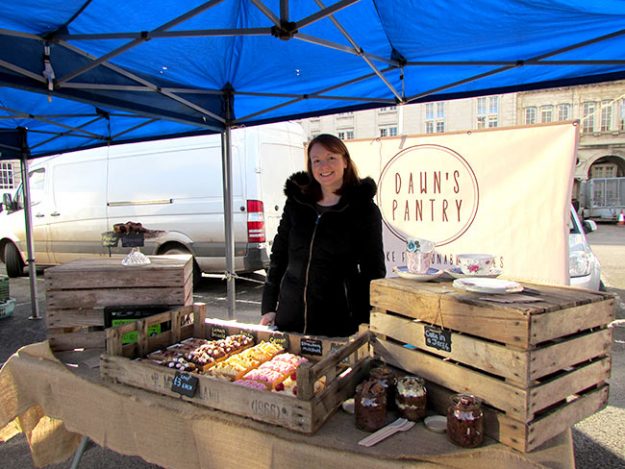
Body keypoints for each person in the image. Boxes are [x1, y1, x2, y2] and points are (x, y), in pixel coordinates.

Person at [260, 133, 386, 337]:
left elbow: (373, 270)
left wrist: (366, 320)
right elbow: (279, 256)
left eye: (331, 158)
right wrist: (268, 306)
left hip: (339, 321)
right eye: (316, 160)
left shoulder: (364, 210)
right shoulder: (296, 204)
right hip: (289, 317)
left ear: (345, 161)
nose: (323, 166)